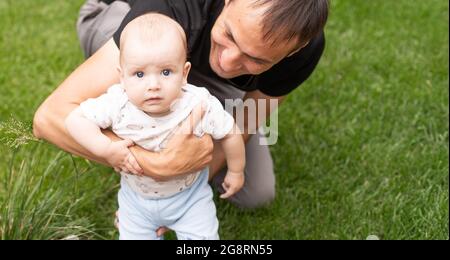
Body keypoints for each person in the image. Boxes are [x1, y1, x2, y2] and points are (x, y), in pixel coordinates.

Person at [33, 0, 329, 209]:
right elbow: (49, 117)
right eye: (229, 35)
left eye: (256, 59)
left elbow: (246, 121)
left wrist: (182, 191)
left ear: (295, 49)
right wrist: (156, 166)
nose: (227, 62)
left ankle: (206, 95)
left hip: (195, 74)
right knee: (141, 85)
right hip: (125, 22)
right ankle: (118, 92)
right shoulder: (175, 5)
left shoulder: (305, 49)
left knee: (256, 193)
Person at [65, 13, 245, 240]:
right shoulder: (118, 103)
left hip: (190, 198)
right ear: (122, 77)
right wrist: (105, 149)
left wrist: (236, 170)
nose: (153, 85)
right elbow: (75, 119)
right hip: (136, 202)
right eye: (139, 74)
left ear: (184, 73)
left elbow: (230, 132)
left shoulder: (197, 103)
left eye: (166, 72)